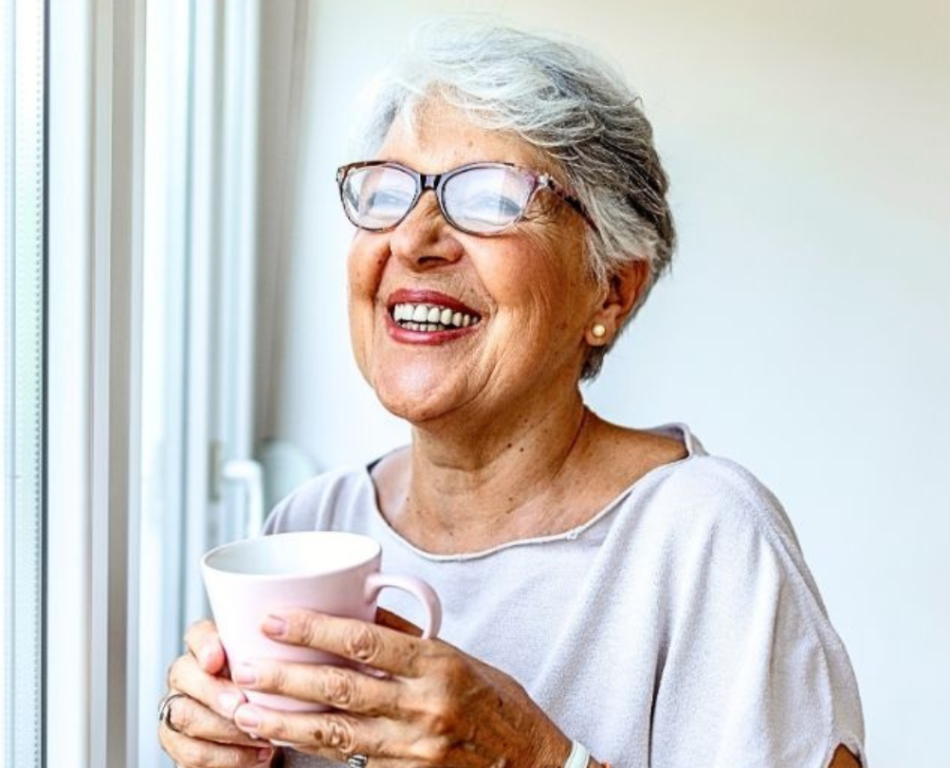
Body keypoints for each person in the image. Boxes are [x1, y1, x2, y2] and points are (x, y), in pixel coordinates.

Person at [158, 20, 865, 768]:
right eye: (389, 192)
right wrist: (215, 738)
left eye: (492, 198)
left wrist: (533, 759)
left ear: (612, 291)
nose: (413, 239)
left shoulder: (705, 538)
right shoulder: (313, 522)